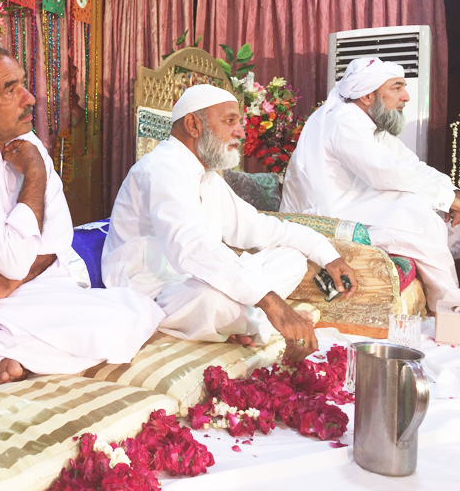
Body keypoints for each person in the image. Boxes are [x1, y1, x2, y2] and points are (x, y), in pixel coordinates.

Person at [0, 42, 164, 393]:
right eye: (10, 89)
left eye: (23, 83)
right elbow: (14, 259)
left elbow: (59, 236)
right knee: (110, 327)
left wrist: (12, 280)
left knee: (138, 311)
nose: (29, 98)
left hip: (30, 289)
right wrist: (34, 174)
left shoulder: (26, 141)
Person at [102, 85, 358, 361]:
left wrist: (328, 255)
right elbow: (191, 246)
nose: (240, 132)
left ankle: (242, 324)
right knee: (212, 300)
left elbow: (258, 228)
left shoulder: (207, 176)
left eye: (239, 122)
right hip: (154, 294)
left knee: (293, 258)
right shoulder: (161, 167)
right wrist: (273, 305)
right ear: (193, 125)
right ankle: (254, 324)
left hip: (196, 283)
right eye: (230, 120)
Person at [281, 57, 460, 311]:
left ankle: (447, 306)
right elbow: (385, 172)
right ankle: (450, 309)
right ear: (367, 96)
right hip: (322, 221)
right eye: (397, 88)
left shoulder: (369, 125)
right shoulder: (343, 121)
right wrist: (447, 199)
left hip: (354, 208)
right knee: (418, 211)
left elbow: (411, 165)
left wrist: (452, 194)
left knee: (434, 211)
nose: (406, 97)